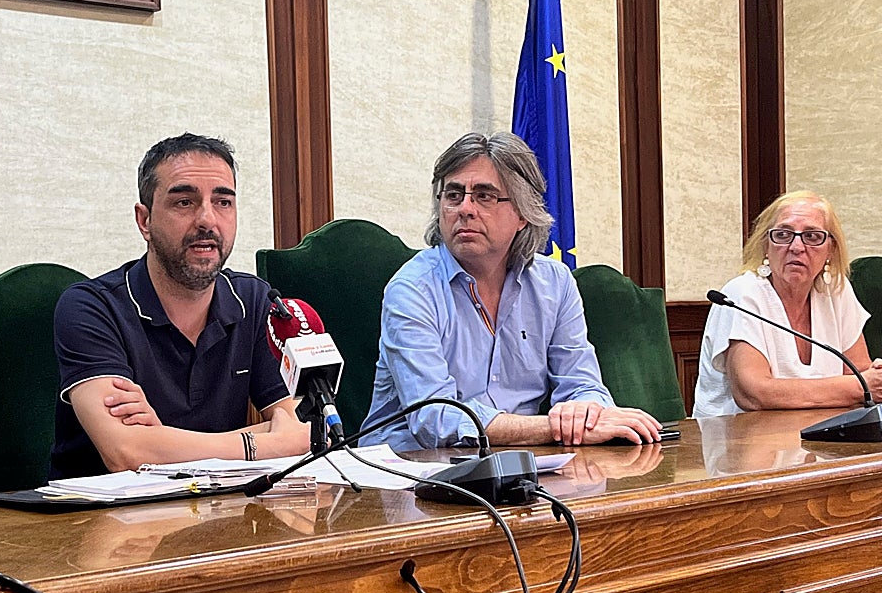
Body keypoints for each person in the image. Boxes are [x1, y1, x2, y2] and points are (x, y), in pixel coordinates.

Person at [359, 131, 663, 451]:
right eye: (453, 195)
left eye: (484, 196)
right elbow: (436, 420)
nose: (465, 208)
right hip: (409, 473)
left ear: (521, 213)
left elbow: (583, 386)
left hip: (519, 462)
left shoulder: (554, 283)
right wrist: (555, 428)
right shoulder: (412, 290)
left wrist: (584, 412)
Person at [51, 133, 308, 477]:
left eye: (223, 202)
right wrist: (260, 443)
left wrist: (162, 443)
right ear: (145, 221)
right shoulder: (90, 308)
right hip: (102, 520)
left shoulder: (255, 301)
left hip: (217, 515)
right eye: (184, 202)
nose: (207, 219)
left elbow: (305, 431)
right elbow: (126, 453)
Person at [693, 190, 882, 417]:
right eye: (783, 235)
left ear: (831, 249)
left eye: (812, 236)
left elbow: (860, 372)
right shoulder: (741, 294)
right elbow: (754, 393)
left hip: (818, 438)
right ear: (765, 245)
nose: (796, 247)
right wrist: (859, 387)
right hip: (739, 441)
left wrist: (874, 378)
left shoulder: (835, 292)